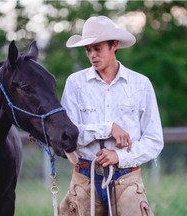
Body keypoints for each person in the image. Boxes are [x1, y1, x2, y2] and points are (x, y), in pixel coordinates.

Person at [59, 16, 164, 216]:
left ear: (114, 45)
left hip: (127, 180)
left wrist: (119, 156)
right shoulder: (75, 83)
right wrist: (108, 128)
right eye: (88, 50)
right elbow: (68, 136)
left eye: (97, 48)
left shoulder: (141, 84)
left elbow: (154, 141)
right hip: (84, 179)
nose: (92, 55)